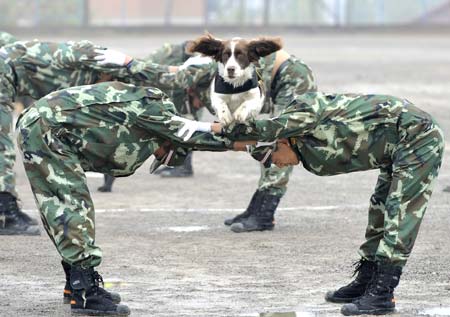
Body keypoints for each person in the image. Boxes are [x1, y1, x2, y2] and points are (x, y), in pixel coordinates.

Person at [174, 91, 444, 315]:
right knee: (379, 210)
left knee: (398, 213)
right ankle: (366, 280)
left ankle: (383, 294)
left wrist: (206, 125)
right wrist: (191, 140)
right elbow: (240, 142)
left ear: (280, 139)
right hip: (393, 148)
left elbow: (258, 128)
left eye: (271, 157)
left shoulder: (302, 116)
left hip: (417, 137)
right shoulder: (300, 148)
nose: (275, 165)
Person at [17, 80, 268, 316]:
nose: (155, 154)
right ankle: (85, 293)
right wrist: (247, 142)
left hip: (43, 123)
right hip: (47, 127)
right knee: (71, 203)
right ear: (171, 143)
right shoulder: (156, 113)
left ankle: (75, 282)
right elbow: (197, 135)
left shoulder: (153, 112)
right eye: (162, 155)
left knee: (59, 205)